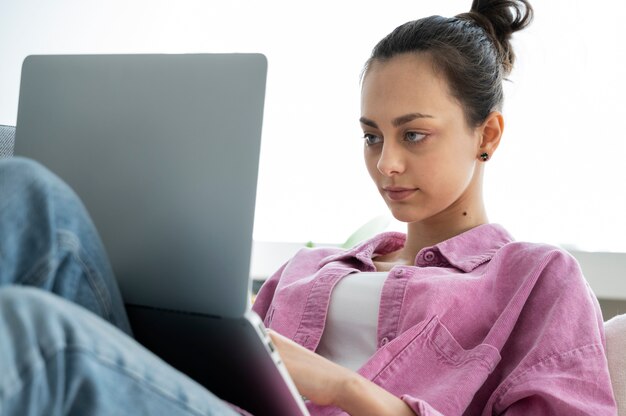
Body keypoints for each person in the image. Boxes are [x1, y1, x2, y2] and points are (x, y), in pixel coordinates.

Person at [0, 1, 617, 415]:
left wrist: (345, 388)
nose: (386, 164)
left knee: (33, 331)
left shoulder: (534, 279)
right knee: (27, 189)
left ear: (487, 135)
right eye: (372, 136)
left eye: (415, 134)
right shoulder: (307, 269)